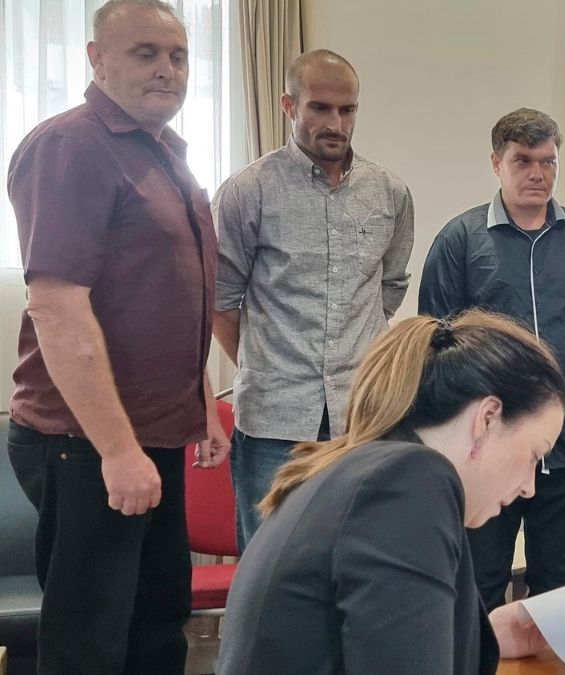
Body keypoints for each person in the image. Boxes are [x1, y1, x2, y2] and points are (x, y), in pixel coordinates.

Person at [4, 1, 228, 673]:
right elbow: (57, 307)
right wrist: (117, 449)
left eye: (178, 55)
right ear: (96, 60)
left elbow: (164, 298)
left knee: (156, 625)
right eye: (145, 53)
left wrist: (201, 401)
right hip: (86, 443)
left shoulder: (163, 153)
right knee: (90, 645)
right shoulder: (71, 147)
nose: (167, 70)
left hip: (151, 436)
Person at [216, 311, 565, 675]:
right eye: (534, 454)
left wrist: (483, 634)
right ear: (487, 418)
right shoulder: (409, 482)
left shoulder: (367, 470)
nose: (530, 487)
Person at [418, 108, 565, 609]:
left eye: (548, 161)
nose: (538, 173)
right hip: (485, 448)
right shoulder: (460, 240)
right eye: (523, 161)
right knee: (479, 585)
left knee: (564, 588)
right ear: (497, 163)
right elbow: (434, 349)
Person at [212, 49, 415, 550]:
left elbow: (388, 287)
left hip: (361, 418)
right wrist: (265, 365)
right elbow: (220, 302)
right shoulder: (247, 192)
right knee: (271, 561)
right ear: (289, 105)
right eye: (320, 108)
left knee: (358, 556)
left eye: (347, 110)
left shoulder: (389, 193)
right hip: (273, 421)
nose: (336, 124)